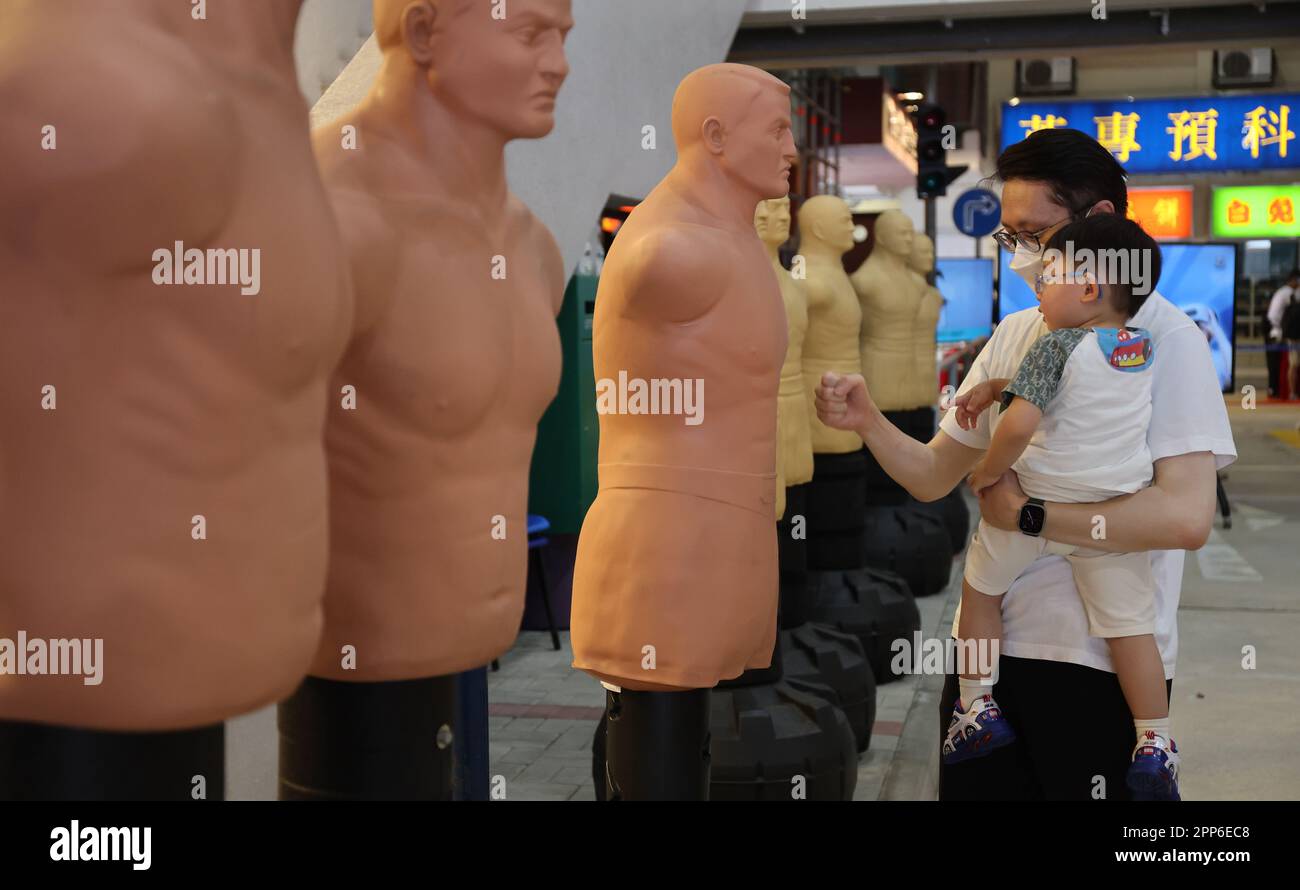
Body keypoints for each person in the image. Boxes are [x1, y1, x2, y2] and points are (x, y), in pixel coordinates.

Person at [814, 127, 1236, 800]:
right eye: (1010, 237)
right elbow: (932, 474)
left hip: (1098, 665)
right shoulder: (1021, 330)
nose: (1022, 258)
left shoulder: (1168, 339)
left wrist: (1030, 515)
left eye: (1036, 234)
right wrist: (867, 420)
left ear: (1100, 223)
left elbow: (1186, 517)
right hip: (989, 666)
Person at [947, 215, 1179, 800]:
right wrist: (999, 382)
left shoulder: (1052, 343)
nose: (1038, 286)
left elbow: (1024, 419)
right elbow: (1075, 385)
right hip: (1109, 517)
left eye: (1049, 275)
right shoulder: (1138, 349)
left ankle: (976, 705)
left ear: (1090, 289)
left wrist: (989, 471)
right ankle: (1154, 740)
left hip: (1036, 505)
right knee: (1132, 630)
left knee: (981, 590)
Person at [1266, 268, 1300, 399]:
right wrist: (1281, 332)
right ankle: (1280, 391)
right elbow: (1275, 316)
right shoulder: (1285, 293)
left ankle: (1281, 390)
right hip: (1280, 331)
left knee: (1290, 364)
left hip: (1290, 332)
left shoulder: (1292, 292)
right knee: (1288, 364)